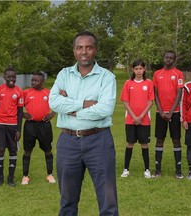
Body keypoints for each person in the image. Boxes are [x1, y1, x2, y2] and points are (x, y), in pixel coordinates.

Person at [49, 31, 118, 216]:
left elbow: (104, 110)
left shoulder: (106, 77)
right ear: (74, 51)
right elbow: (53, 103)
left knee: (108, 200)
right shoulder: (64, 75)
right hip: (68, 142)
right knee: (67, 201)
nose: (84, 52)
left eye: (88, 47)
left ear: (95, 50)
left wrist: (70, 108)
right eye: (80, 47)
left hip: (99, 141)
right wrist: (83, 104)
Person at [120, 60, 154, 178]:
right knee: (130, 143)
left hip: (144, 119)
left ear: (144, 69)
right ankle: (126, 169)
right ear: (133, 70)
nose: (138, 71)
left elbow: (150, 102)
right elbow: (125, 101)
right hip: (131, 119)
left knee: (144, 144)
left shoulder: (149, 83)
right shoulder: (128, 83)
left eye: (140, 68)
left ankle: (147, 170)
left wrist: (140, 116)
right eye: (136, 68)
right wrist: (134, 117)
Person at [152, 50, 184, 179]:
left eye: (171, 58)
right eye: (166, 57)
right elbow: (155, 94)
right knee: (160, 139)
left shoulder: (179, 74)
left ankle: (178, 171)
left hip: (174, 113)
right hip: (160, 113)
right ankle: (158, 170)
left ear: (174, 60)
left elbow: (179, 93)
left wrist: (170, 112)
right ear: (163, 58)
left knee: (176, 140)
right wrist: (160, 110)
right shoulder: (157, 74)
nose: (168, 59)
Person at [0, 66, 24, 187]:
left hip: (13, 125)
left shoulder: (19, 92)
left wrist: (19, 129)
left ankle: (11, 178)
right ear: (4, 77)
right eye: (9, 76)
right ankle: (0, 178)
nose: (11, 79)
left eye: (13, 77)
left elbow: (20, 112)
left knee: (13, 150)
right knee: (0, 149)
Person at [21, 72, 56, 185]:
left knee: (48, 150)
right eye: (32, 80)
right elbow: (17, 106)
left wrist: (52, 114)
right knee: (27, 150)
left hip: (44, 126)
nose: (33, 82)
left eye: (36, 80)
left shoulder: (48, 93)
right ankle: (25, 176)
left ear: (42, 82)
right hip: (30, 125)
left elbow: (57, 104)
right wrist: (23, 114)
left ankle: (50, 175)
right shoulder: (26, 93)